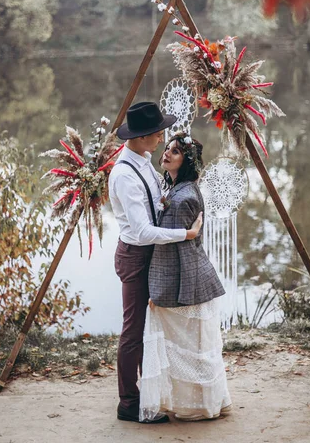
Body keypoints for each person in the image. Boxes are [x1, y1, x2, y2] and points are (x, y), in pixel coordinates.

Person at [109, 102, 203, 425]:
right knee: (133, 331)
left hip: (149, 255)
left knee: (149, 329)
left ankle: (148, 394)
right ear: (142, 136)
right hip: (136, 256)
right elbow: (143, 230)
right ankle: (128, 403)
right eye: (159, 131)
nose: (163, 136)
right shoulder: (124, 175)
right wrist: (186, 233)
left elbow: (159, 197)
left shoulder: (144, 161)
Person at [139, 133, 232, 422]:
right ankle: (199, 402)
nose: (166, 153)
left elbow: (174, 252)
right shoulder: (177, 188)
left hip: (186, 281)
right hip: (186, 277)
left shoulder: (183, 197)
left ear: (186, 161)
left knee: (191, 348)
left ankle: (199, 405)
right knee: (190, 346)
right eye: (167, 148)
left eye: (175, 152)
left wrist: (158, 291)